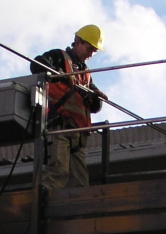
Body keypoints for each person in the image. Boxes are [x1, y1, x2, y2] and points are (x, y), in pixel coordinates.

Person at [31, 25, 108, 189]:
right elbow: (37, 64)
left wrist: (95, 97)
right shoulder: (59, 57)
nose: (91, 54)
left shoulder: (85, 72)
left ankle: (76, 214)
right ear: (78, 42)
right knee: (57, 173)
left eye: (94, 51)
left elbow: (94, 106)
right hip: (60, 127)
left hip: (78, 136)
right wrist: (59, 73)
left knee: (80, 183)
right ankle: (42, 207)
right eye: (89, 48)